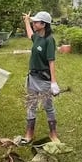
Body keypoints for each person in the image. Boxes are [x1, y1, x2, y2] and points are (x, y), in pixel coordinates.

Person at [21, 11, 60, 143]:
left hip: (44, 80)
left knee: (48, 106)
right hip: (32, 77)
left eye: (36, 22)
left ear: (43, 24)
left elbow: (51, 61)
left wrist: (53, 82)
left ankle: (53, 134)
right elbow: (29, 35)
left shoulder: (49, 41)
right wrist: (26, 21)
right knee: (31, 104)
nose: (34, 23)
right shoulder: (37, 36)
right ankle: (29, 133)